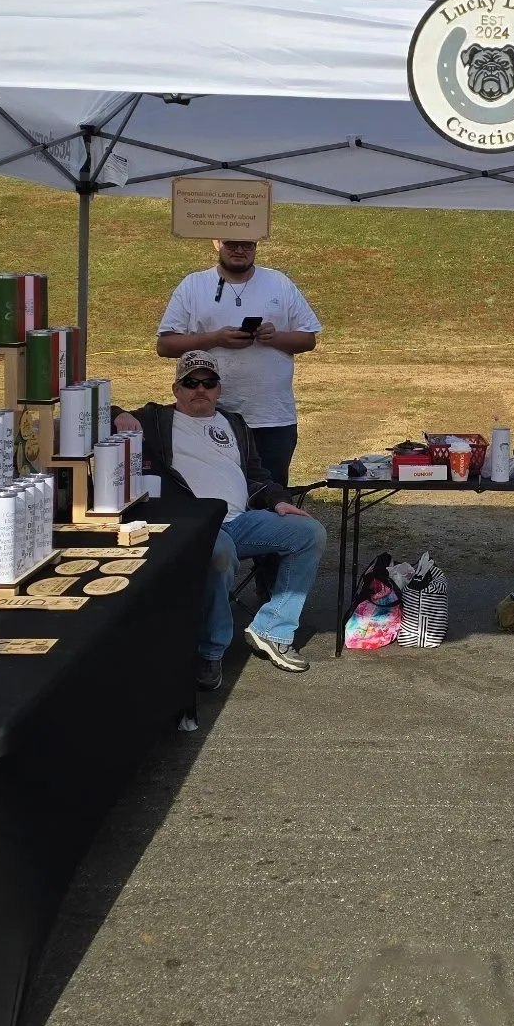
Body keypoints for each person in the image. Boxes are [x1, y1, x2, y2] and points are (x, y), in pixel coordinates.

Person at [136, 349, 325, 690]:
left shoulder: (234, 423)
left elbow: (256, 473)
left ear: (219, 389)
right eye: (190, 382)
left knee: (308, 532)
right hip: (195, 525)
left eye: (208, 382)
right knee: (220, 553)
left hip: (241, 521)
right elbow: (99, 413)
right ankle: (210, 652)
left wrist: (279, 500)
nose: (200, 389)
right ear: (176, 388)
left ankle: (272, 629)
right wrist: (120, 415)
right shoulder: (156, 420)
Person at [156, 237, 320, 487]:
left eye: (248, 245)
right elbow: (165, 345)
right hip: (210, 413)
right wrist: (215, 338)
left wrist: (275, 337)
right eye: (232, 244)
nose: (240, 251)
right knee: (214, 492)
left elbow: (308, 339)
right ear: (216, 243)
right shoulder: (194, 285)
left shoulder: (278, 283)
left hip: (271, 417)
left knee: (270, 495)